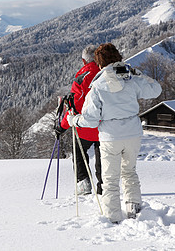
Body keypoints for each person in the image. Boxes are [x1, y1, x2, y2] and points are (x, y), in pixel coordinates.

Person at [67, 43, 162, 223]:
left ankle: (113, 218)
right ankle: (133, 209)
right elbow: (156, 89)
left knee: (110, 180)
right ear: (118, 57)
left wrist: (74, 120)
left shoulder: (99, 85)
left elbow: (91, 120)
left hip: (111, 136)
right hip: (133, 133)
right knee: (129, 172)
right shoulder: (131, 78)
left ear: (99, 63)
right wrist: (137, 73)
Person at [54, 45, 103, 195]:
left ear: (83, 61)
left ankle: (84, 184)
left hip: (85, 126)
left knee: (79, 153)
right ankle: (104, 186)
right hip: (106, 125)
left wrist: (61, 127)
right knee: (103, 155)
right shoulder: (106, 73)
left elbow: (74, 108)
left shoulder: (81, 79)